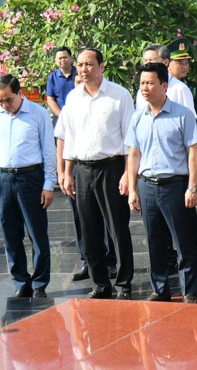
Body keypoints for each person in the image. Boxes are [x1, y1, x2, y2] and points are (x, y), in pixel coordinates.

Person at [59, 48, 136, 299]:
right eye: (80, 64)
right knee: (88, 230)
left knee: (117, 228)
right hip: (82, 169)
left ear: (102, 66)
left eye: (89, 64)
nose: (84, 69)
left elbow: (130, 139)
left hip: (111, 168)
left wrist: (127, 173)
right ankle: (100, 284)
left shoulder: (119, 95)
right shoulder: (73, 98)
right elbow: (69, 137)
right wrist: (67, 172)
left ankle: (124, 283)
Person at [125, 62, 197, 303]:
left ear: (164, 85)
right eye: (141, 84)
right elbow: (134, 154)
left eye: (150, 83)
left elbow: (193, 152)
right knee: (154, 241)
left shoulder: (182, 114)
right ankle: (160, 290)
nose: (145, 88)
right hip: (147, 186)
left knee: (184, 241)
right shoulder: (138, 117)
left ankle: (189, 290)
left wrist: (192, 186)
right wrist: (132, 189)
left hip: (175, 186)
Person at [0, 74, 56, 298]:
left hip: (30, 178)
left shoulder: (38, 114)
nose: (4, 105)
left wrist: (48, 184)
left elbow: (48, 151)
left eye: (8, 100)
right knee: (10, 234)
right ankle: (20, 281)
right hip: (3, 179)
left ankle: (39, 283)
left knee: (37, 234)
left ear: (19, 93)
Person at [166, 37, 197, 259]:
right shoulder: (162, 87)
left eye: (186, 62)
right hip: (173, 150)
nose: (184, 66)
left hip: (195, 146)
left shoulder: (195, 88)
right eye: (180, 62)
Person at [134, 44, 196, 118]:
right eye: (145, 61)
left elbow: (189, 120)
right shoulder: (142, 92)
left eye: (152, 60)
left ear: (166, 62)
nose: (148, 64)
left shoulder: (180, 89)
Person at [45, 46, 75, 121]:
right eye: (60, 58)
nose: (63, 60)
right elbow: (50, 99)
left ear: (71, 58)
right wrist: (61, 116)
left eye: (65, 57)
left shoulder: (80, 74)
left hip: (79, 118)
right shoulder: (52, 77)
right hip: (60, 118)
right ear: (55, 61)